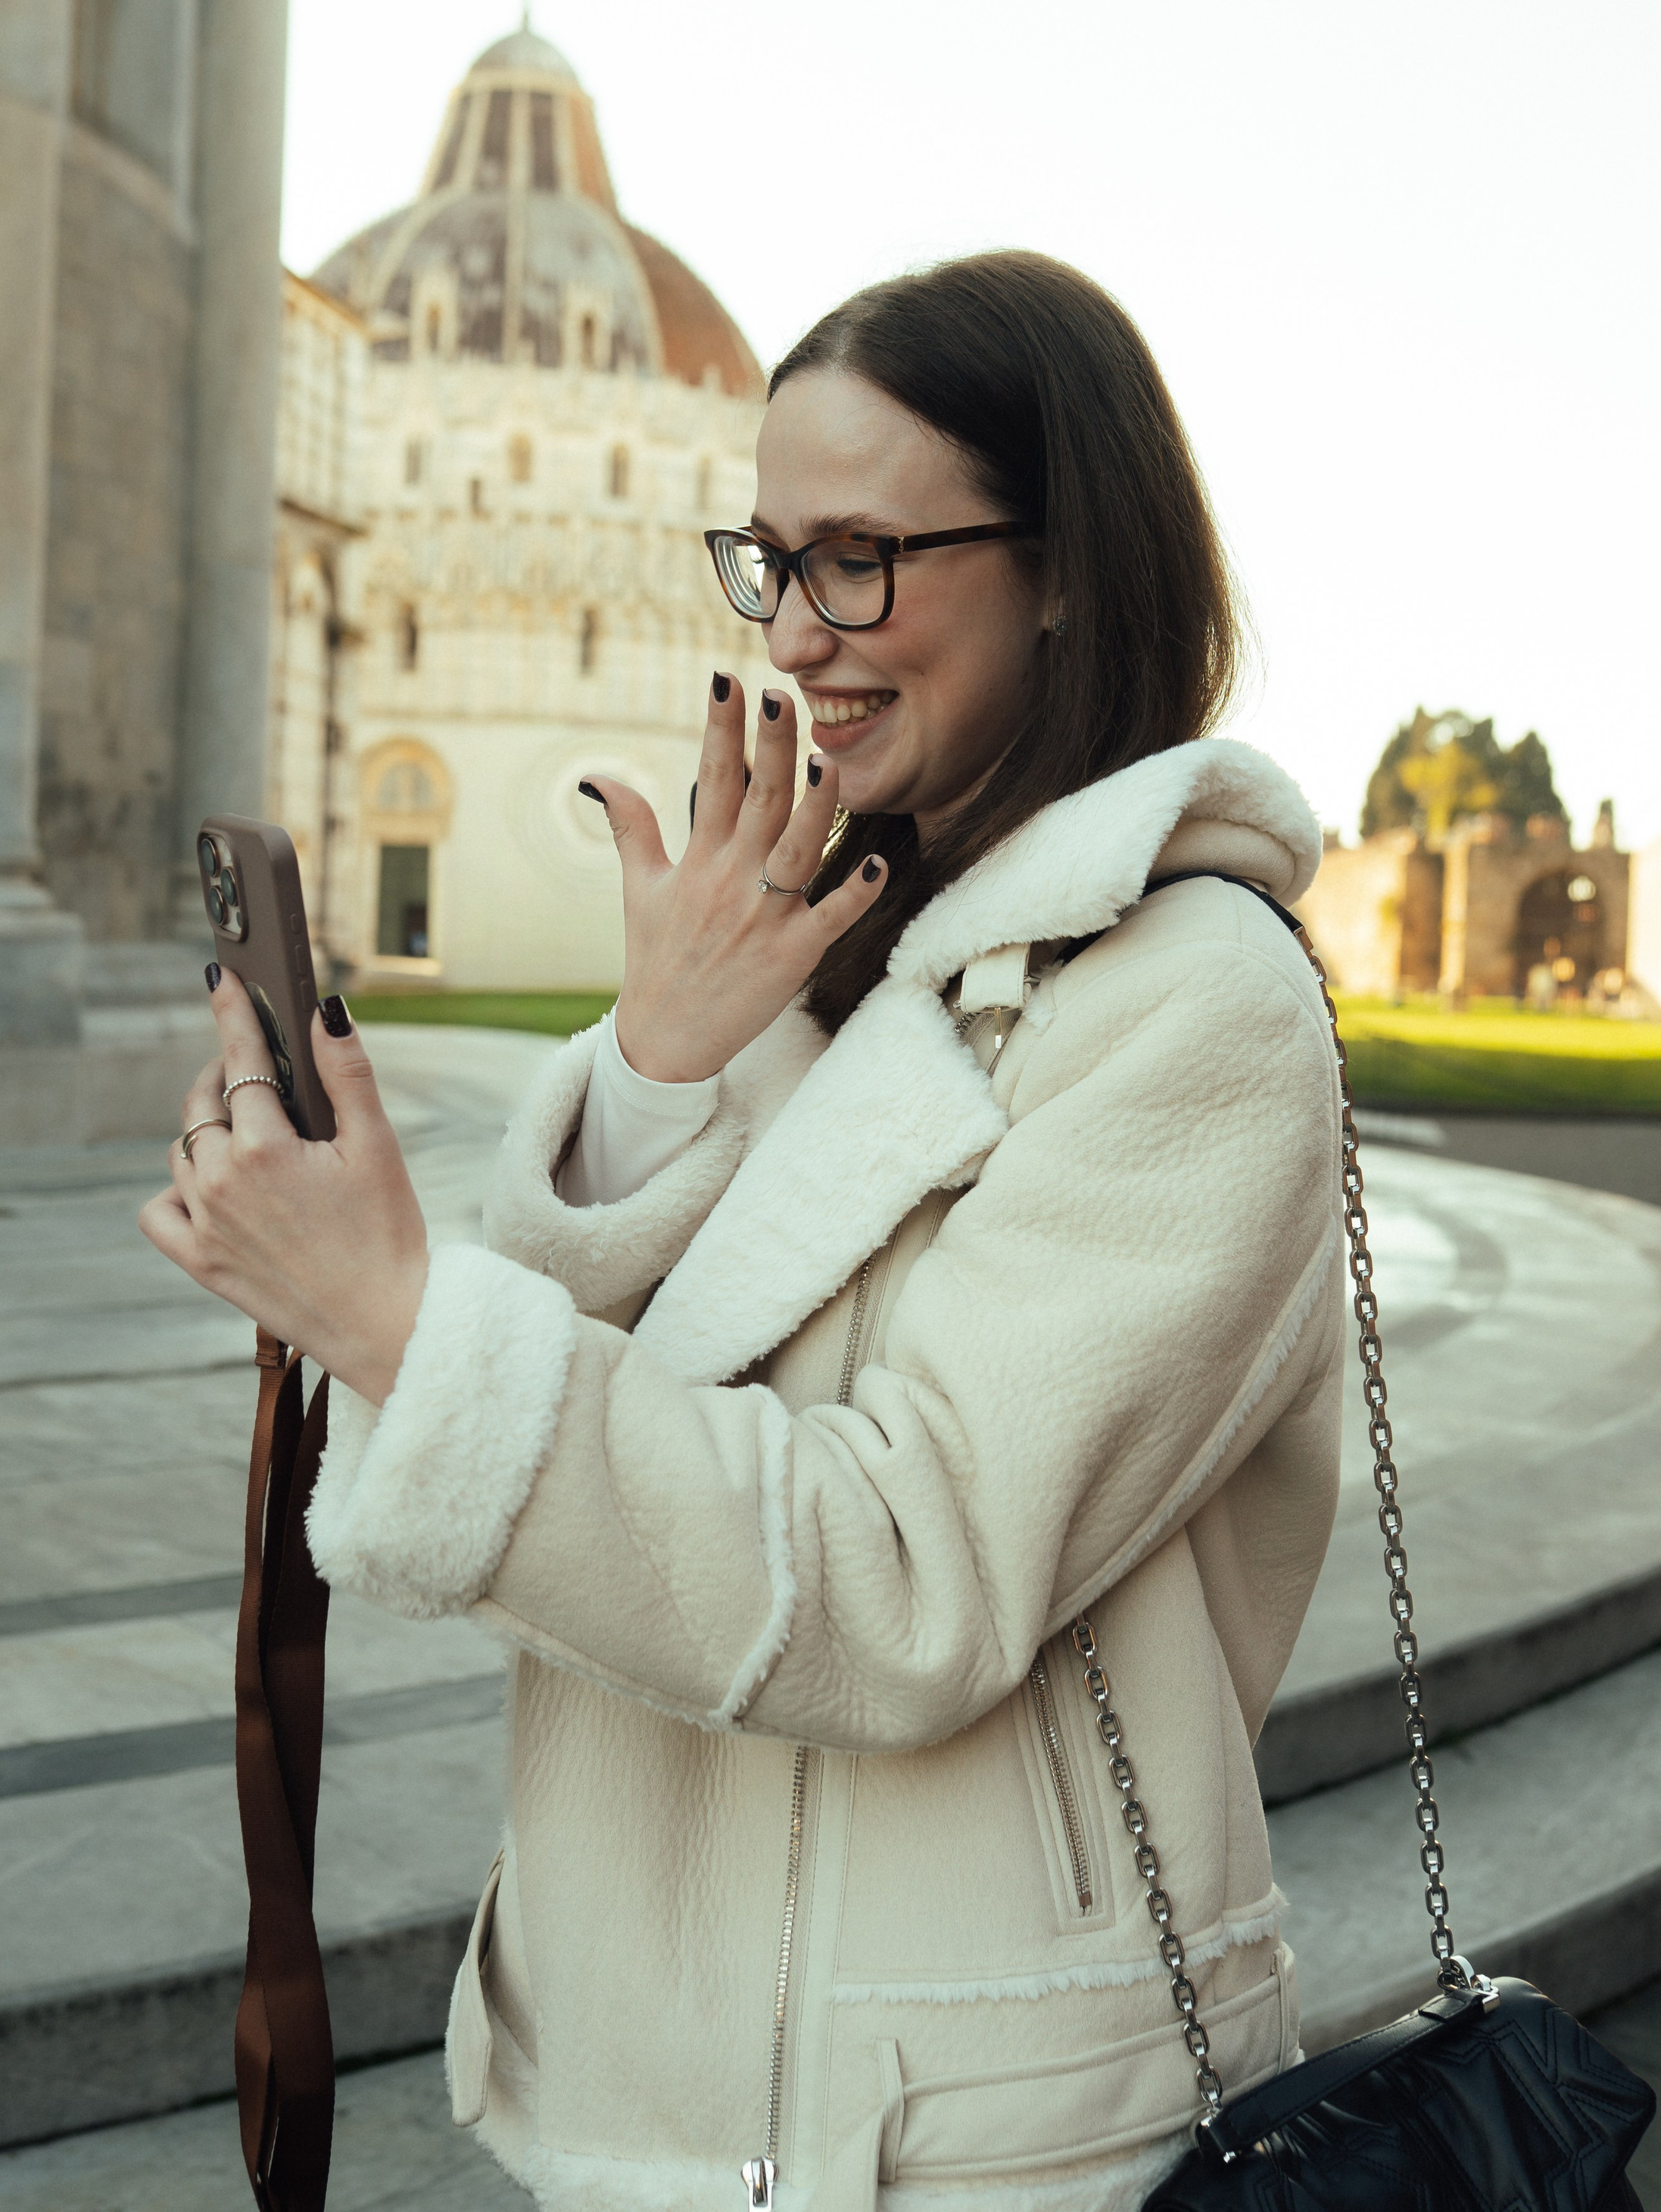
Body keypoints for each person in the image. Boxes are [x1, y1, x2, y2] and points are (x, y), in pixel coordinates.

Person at [142, 251, 1344, 2211]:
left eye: (860, 558)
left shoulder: (1190, 997)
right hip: (652, 2061)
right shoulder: (824, 951)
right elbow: (573, 1473)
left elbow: (903, 1572)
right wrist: (652, 1073)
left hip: (950, 2117)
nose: (794, 635)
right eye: (765, 560)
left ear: (1064, 563)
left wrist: (395, 1313)